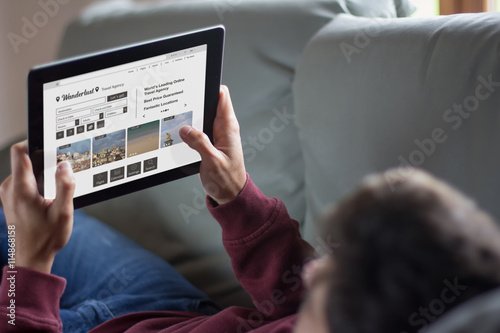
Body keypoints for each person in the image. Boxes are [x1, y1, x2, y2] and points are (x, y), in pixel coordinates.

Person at [1, 86, 500, 333]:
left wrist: (29, 270)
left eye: (329, 280)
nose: (315, 273)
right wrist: (236, 195)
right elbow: (290, 296)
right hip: (160, 308)